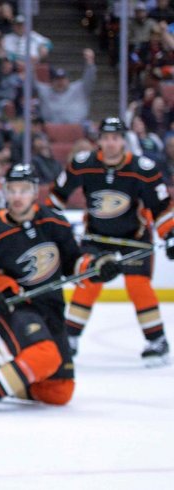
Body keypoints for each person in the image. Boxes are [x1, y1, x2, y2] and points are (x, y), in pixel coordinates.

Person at [0, 163, 121, 409]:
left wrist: (98, 268)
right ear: (5, 192)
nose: (18, 197)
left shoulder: (55, 223)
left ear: (34, 192)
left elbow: (74, 263)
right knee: (44, 356)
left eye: (24, 190)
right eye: (13, 190)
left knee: (59, 391)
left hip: (51, 306)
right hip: (14, 307)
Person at [49, 117, 173, 366]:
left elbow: (160, 208)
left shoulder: (143, 169)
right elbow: (56, 198)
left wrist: (170, 234)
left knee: (139, 286)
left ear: (123, 141)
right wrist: (50, 229)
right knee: (88, 283)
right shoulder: (84, 164)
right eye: (106, 138)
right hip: (97, 238)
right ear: (100, 140)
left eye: (115, 138)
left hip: (134, 239)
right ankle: (70, 339)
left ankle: (157, 340)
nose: (110, 143)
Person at [35, 49, 96, 125]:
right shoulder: (45, 90)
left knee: (89, 126)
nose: (60, 82)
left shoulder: (79, 88)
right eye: (57, 79)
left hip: (78, 127)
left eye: (62, 79)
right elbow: (30, 84)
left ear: (68, 80)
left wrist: (90, 63)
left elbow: (90, 78)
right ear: (52, 81)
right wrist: (33, 63)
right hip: (51, 129)